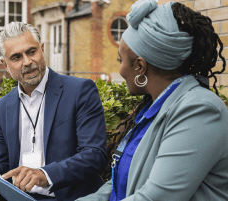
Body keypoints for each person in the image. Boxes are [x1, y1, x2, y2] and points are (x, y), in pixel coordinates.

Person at [76, 0, 228, 200]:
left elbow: (155, 197)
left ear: (140, 66)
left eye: (121, 60)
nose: (120, 70)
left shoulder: (200, 110)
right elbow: (120, 183)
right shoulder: (154, 107)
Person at [0, 22, 108, 201]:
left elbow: (94, 155)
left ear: (42, 49)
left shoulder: (79, 91)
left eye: (31, 52)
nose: (27, 62)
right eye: (16, 57)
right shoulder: (3, 106)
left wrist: (44, 174)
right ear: (5, 65)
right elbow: (5, 164)